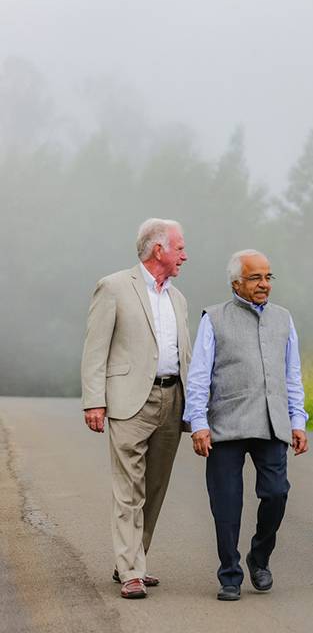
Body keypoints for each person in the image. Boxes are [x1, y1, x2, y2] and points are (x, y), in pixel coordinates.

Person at [183, 249, 309, 601]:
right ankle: (230, 574)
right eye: (256, 278)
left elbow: (292, 375)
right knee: (226, 503)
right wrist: (198, 423)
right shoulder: (215, 318)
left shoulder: (284, 319)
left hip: (272, 423)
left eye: (268, 277)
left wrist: (298, 420)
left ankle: (259, 556)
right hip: (225, 424)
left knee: (276, 493)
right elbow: (198, 376)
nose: (264, 284)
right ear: (236, 282)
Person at [80, 218, 191, 599]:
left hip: (172, 399)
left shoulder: (179, 298)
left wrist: (194, 406)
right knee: (129, 489)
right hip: (129, 401)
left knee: (155, 488)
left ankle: (133, 559)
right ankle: (131, 571)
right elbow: (95, 348)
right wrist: (94, 400)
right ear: (158, 249)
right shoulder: (113, 287)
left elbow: (185, 355)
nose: (184, 256)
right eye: (179, 248)